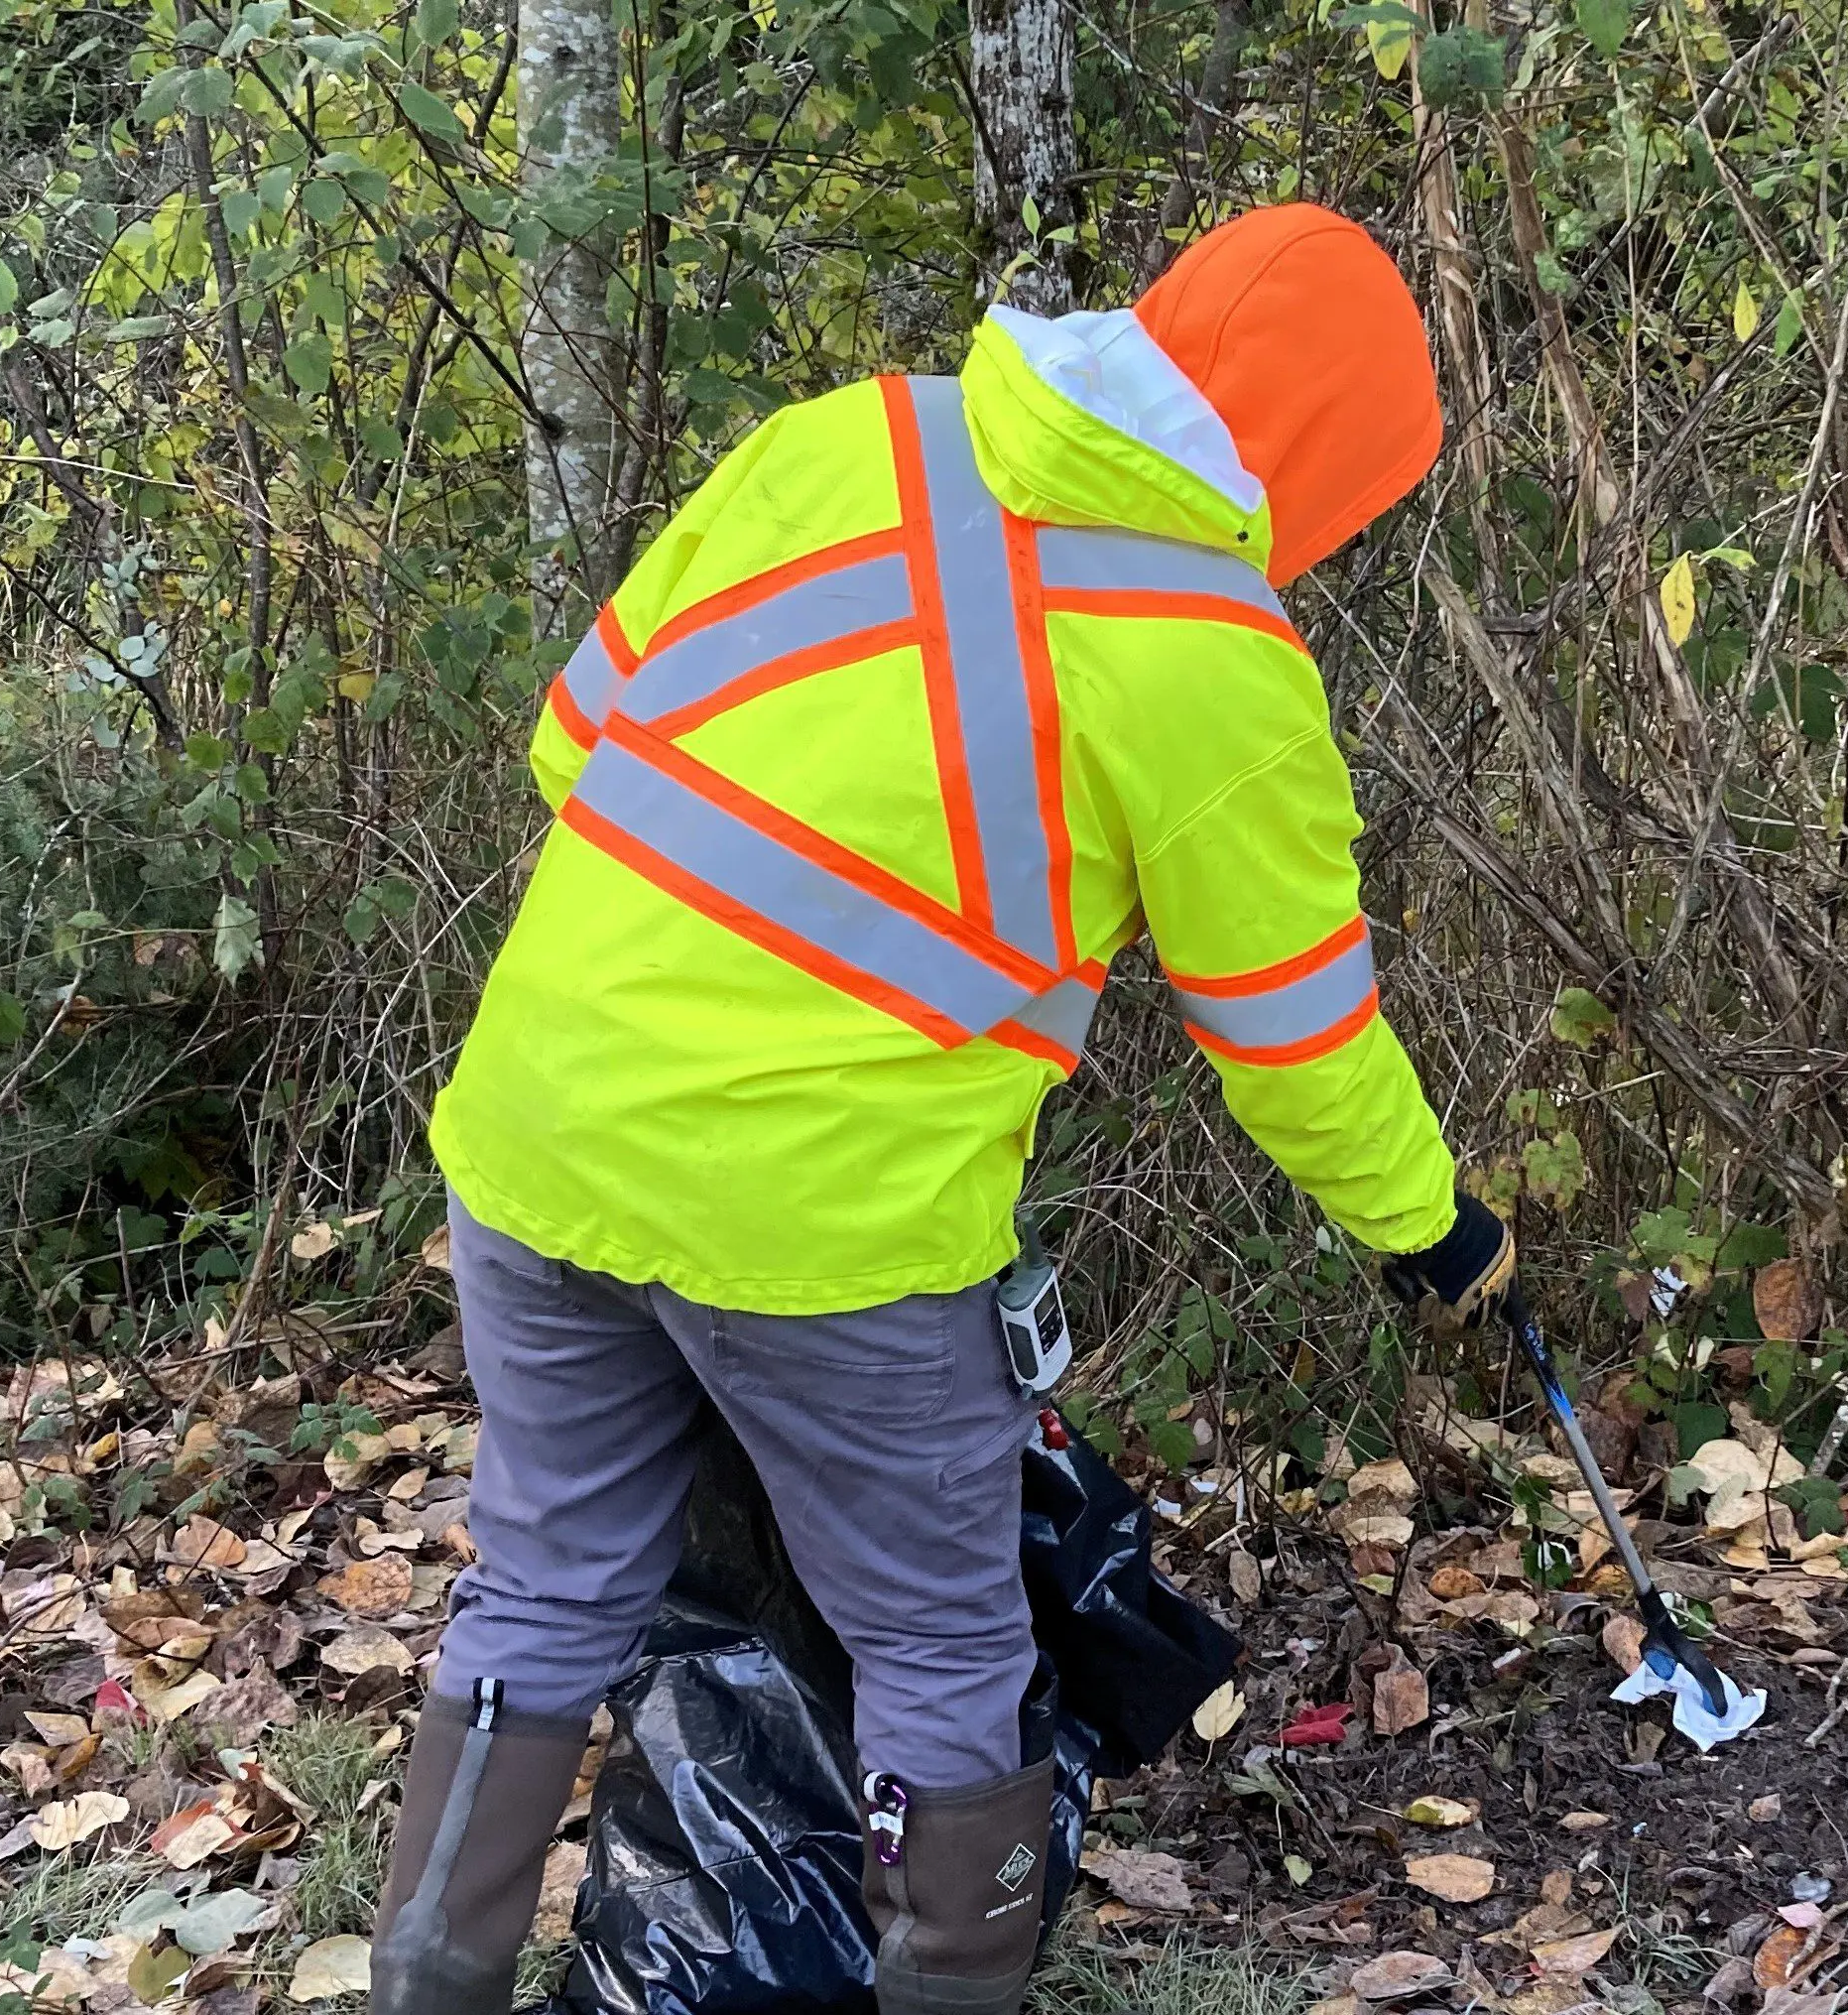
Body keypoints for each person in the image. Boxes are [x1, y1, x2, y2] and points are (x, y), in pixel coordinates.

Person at [370, 201, 1518, 2015]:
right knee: (942, 1639)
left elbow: (573, 738)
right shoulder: (1209, 651)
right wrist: (1436, 1230)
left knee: (542, 1586)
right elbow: (1294, 1036)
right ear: (1322, 459)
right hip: (823, 1226)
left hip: (537, 1123)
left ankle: (422, 1985)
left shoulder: (847, 436)